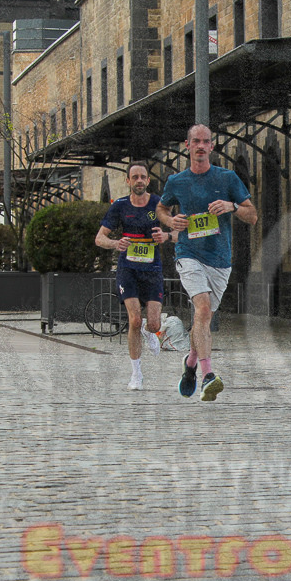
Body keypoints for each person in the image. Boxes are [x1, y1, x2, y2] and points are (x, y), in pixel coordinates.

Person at [156, 124, 257, 401]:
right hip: (188, 253)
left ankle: (189, 364)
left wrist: (232, 207)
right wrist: (169, 220)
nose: (200, 146)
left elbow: (253, 215)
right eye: (195, 142)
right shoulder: (176, 181)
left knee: (203, 318)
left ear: (212, 147)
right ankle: (207, 375)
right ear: (187, 146)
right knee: (201, 309)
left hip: (220, 260)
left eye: (206, 142)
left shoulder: (227, 179)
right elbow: (161, 208)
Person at [95, 161, 171, 391]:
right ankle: (136, 374)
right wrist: (116, 243)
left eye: (143, 177)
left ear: (148, 181)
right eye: (134, 177)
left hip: (153, 269)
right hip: (127, 269)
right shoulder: (119, 206)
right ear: (128, 181)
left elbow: (178, 228)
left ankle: (150, 332)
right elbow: (99, 238)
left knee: (154, 323)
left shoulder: (159, 204)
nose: (139, 180)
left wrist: (165, 236)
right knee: (134, 320)